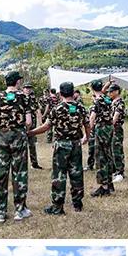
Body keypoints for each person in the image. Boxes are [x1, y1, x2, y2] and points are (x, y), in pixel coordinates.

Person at [30, 80, 89, 215]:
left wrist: (31, 132)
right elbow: (87, 124)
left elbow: (46, 126)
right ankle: (77, 204)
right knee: (76, 173)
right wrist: (86, 136)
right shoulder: (80, 107)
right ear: (73, 93)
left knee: (59, 175)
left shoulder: (57, 108)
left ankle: (57, 206)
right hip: (76, 144)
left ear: (60, 93)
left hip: (61, 145)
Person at [0, 71, 32, 224]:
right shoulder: (24, 97)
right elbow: (28, 122)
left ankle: (0, 212)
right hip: (19, 137)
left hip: (2, 137)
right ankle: (20, 210)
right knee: (19, 173)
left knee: (0, 174)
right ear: (18, 82)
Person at [89, 79, 114, 197]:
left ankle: (104, 187)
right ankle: (109, 183)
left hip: (101, 129)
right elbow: (103, 92)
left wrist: (88, 132)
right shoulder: (107, 99)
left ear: (92, 89)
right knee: (108, 155)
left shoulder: (97, 101)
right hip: (109, 128)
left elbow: (92, 118)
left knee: (101, 157)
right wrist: (108, 84)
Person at [109, 82, 126, 181]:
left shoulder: (120, 102)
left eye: (111, 91)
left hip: (116, 128)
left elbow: (116, 116)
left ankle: (120, 172)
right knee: (112, 149)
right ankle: (115, 170)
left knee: (117, 150)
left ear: (117, 91)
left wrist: (110, 125)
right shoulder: (113, 101)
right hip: (112, 128)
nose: (109, 93)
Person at [23, 83, 42, 170]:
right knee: (22, 146)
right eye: (26, 88)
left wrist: (40, 122)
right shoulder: (19, 97)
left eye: (29, 88)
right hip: (22, 124)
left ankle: (34, 163)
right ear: (23, 89)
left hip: (32, 125)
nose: (28, 89)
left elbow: (38, 110)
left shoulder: (33, 99)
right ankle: (22, 164)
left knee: (32, 144)